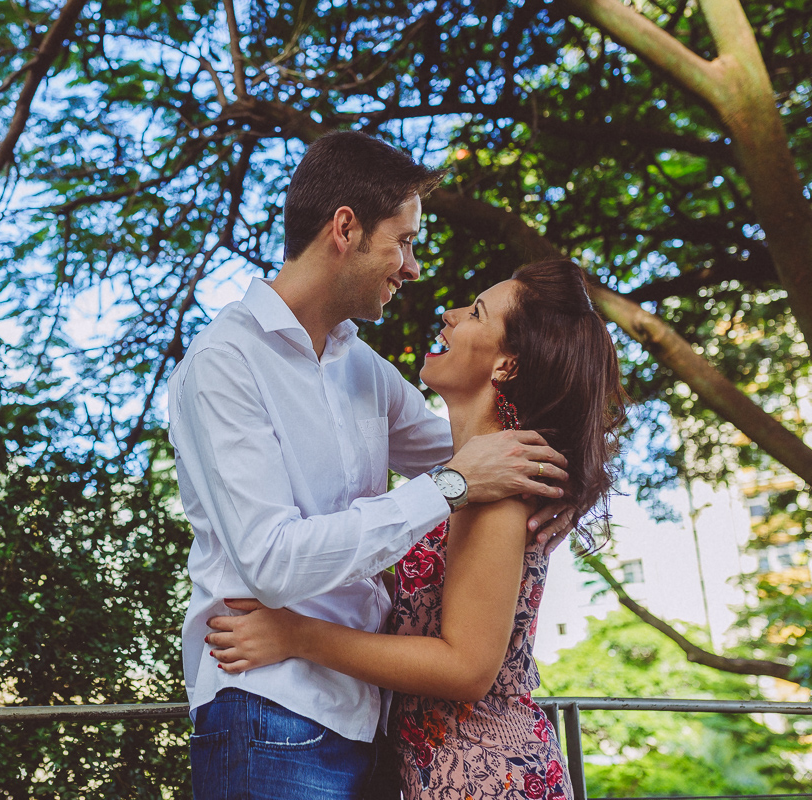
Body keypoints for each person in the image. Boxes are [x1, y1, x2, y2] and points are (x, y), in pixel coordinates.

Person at [167, 130, 576, 800]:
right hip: (269, 708)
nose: (412, 267)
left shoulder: (360, 366)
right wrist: (453, 485)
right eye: (404, 241)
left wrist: (562, 482)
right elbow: (272, 562)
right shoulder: (225, 364)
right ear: (346, 229)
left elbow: (477, 454)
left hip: (372, 726)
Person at [205, 258, 627, 799]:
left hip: (485, 777)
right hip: (450, 769)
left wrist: (296, 634)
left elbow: (466, 667)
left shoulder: (495, 491)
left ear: (506, 365)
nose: (450, 314)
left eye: (476, 313)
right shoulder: (477, 474)